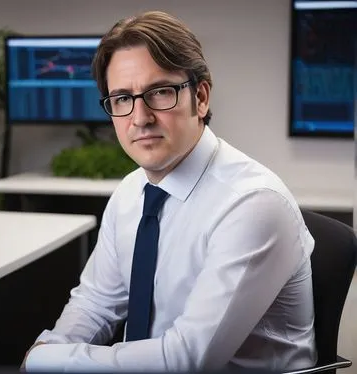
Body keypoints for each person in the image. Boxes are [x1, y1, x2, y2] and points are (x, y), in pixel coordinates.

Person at [22, 10, 317, 373]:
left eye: (160, 92)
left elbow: (187, 359)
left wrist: (49, 362)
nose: (140, 117)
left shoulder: (253, 204)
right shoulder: (132, 191)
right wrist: (53, 345)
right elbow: (97, 302)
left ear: (201, 97)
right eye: (121, 99)